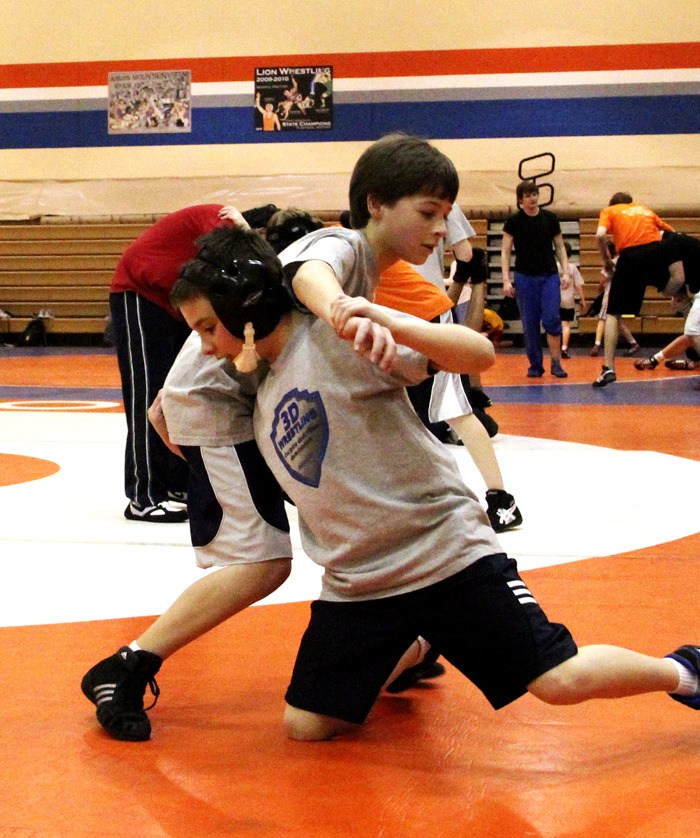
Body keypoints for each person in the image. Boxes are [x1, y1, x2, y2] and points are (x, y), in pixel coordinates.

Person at [169, 224, 700, 743]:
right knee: (306, 726)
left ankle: (683, 671)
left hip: (445, 555)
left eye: (207, 328)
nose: (203, 347)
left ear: (244, 312)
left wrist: (391, 322)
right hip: (360, 581)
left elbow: (477, 355)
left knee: (559, 681)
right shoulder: (256, 385)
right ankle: (418, 643)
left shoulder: (338, 340)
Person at [592, 192, 684, 387]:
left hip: (631, 256)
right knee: (677, 289)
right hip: (657, 253)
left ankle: (608, 367)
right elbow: (673, 234)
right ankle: (684, 303)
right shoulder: (645, 210)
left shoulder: (610, 211)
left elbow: (600, 235)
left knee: (613, 313)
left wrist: (607, 261)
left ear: (613, 204)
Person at [501, 180, 569, 379]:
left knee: (552, 319)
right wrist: (506, 280)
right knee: (529, 323)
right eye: (528, 195)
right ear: (520, 199)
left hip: (549, 275)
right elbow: (505, 252)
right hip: (524, 277)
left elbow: (560, 246)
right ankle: (535, 365)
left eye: (535, 194)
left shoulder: (550, 218)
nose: (533, 198)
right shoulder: (514, 221)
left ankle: (556, 363)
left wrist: (565, 271)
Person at [558, 241, 587, 358]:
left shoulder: (554, 267)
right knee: (566, 325)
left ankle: (555, 347)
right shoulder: (573, 268)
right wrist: (583, 299)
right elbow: (578, 286)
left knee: (556, 325)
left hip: (555, 300)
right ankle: (564, 348)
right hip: (568, 301)